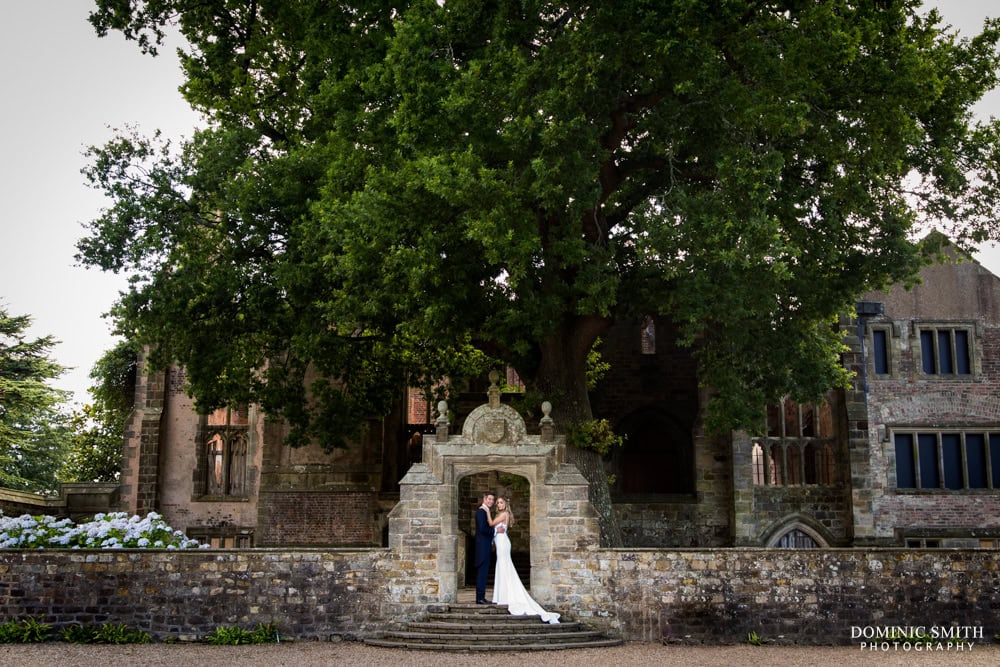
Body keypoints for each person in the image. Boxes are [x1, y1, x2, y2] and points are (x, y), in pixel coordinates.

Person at [489, 496, 560, 623]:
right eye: (498, 503)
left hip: (502, 541)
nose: (499, 504)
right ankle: (501, 594)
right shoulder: (502, 514)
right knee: (502, 565)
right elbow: (495, 529)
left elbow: (491, 524)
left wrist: (485, 510)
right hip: (500, 540)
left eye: (501, 502)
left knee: (504, 565)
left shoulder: (504, 514)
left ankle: (506, 595)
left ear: (506, 504)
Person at [474, 491, 496, 604]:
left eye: (492, 500)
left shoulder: (485, 511)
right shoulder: (481, 512)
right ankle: (480, 598)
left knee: (483, 572)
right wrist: (495, 530)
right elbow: (483, 529)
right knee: (482, 572)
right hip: (482, 547)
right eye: (489, 499)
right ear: (484, 499)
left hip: (484, 546)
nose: (491, 501)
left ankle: (481, 597)